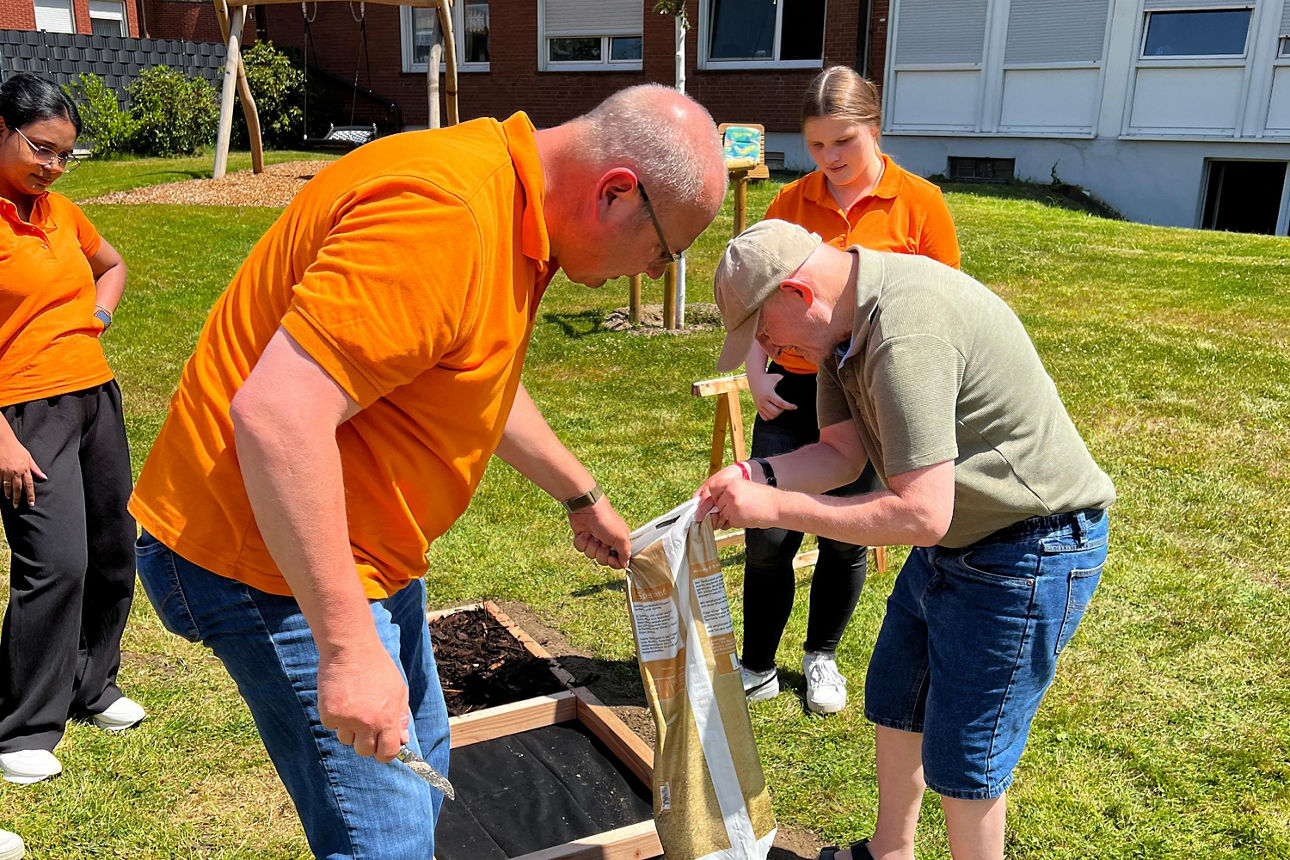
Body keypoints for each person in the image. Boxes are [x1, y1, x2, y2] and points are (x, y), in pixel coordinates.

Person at [130, 84, 727, 860]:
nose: (650, 270)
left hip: (363, 546)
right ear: (616, 192)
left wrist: (580, 492)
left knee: (424, 761)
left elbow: (467, 371)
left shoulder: (509, 204)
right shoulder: (446, 216)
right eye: (663, 252)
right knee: (387, 835)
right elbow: (277, 417)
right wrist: (346, 648)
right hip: (264, 561)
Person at [698, 220, 1114, 860]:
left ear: (800, 293)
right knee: (896, 696)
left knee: (966, 754)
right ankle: (888, 853)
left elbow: (922, 515)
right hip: (961, 541)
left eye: (763, 327)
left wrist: (778, 506)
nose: (765, 345)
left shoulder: (902, 331)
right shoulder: (842, 329)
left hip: (1028, 546)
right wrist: (759, 472)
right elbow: (840, 454)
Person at [739, 66, 960, 715]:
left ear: (875, 129)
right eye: (817, 146)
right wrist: (756, 363)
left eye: (844, 142)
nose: (830, 159)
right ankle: (756, 663)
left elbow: (942, 306)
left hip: (866, 398)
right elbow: (763, 293)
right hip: (791, 387)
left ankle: (821, 656)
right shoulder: (791, 202)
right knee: (767, 533)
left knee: (846, 534)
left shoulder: (921, 203)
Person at [0, 73, 144, 787]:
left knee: (116, 549)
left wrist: (99, 316)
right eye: (40, 148)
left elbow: (111, 266)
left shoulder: (60, 212)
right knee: (56, 564)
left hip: (94, 398)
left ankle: (94, 687)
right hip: (22, 412)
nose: (52, 166)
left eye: (64, 155)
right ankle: (25, 724)